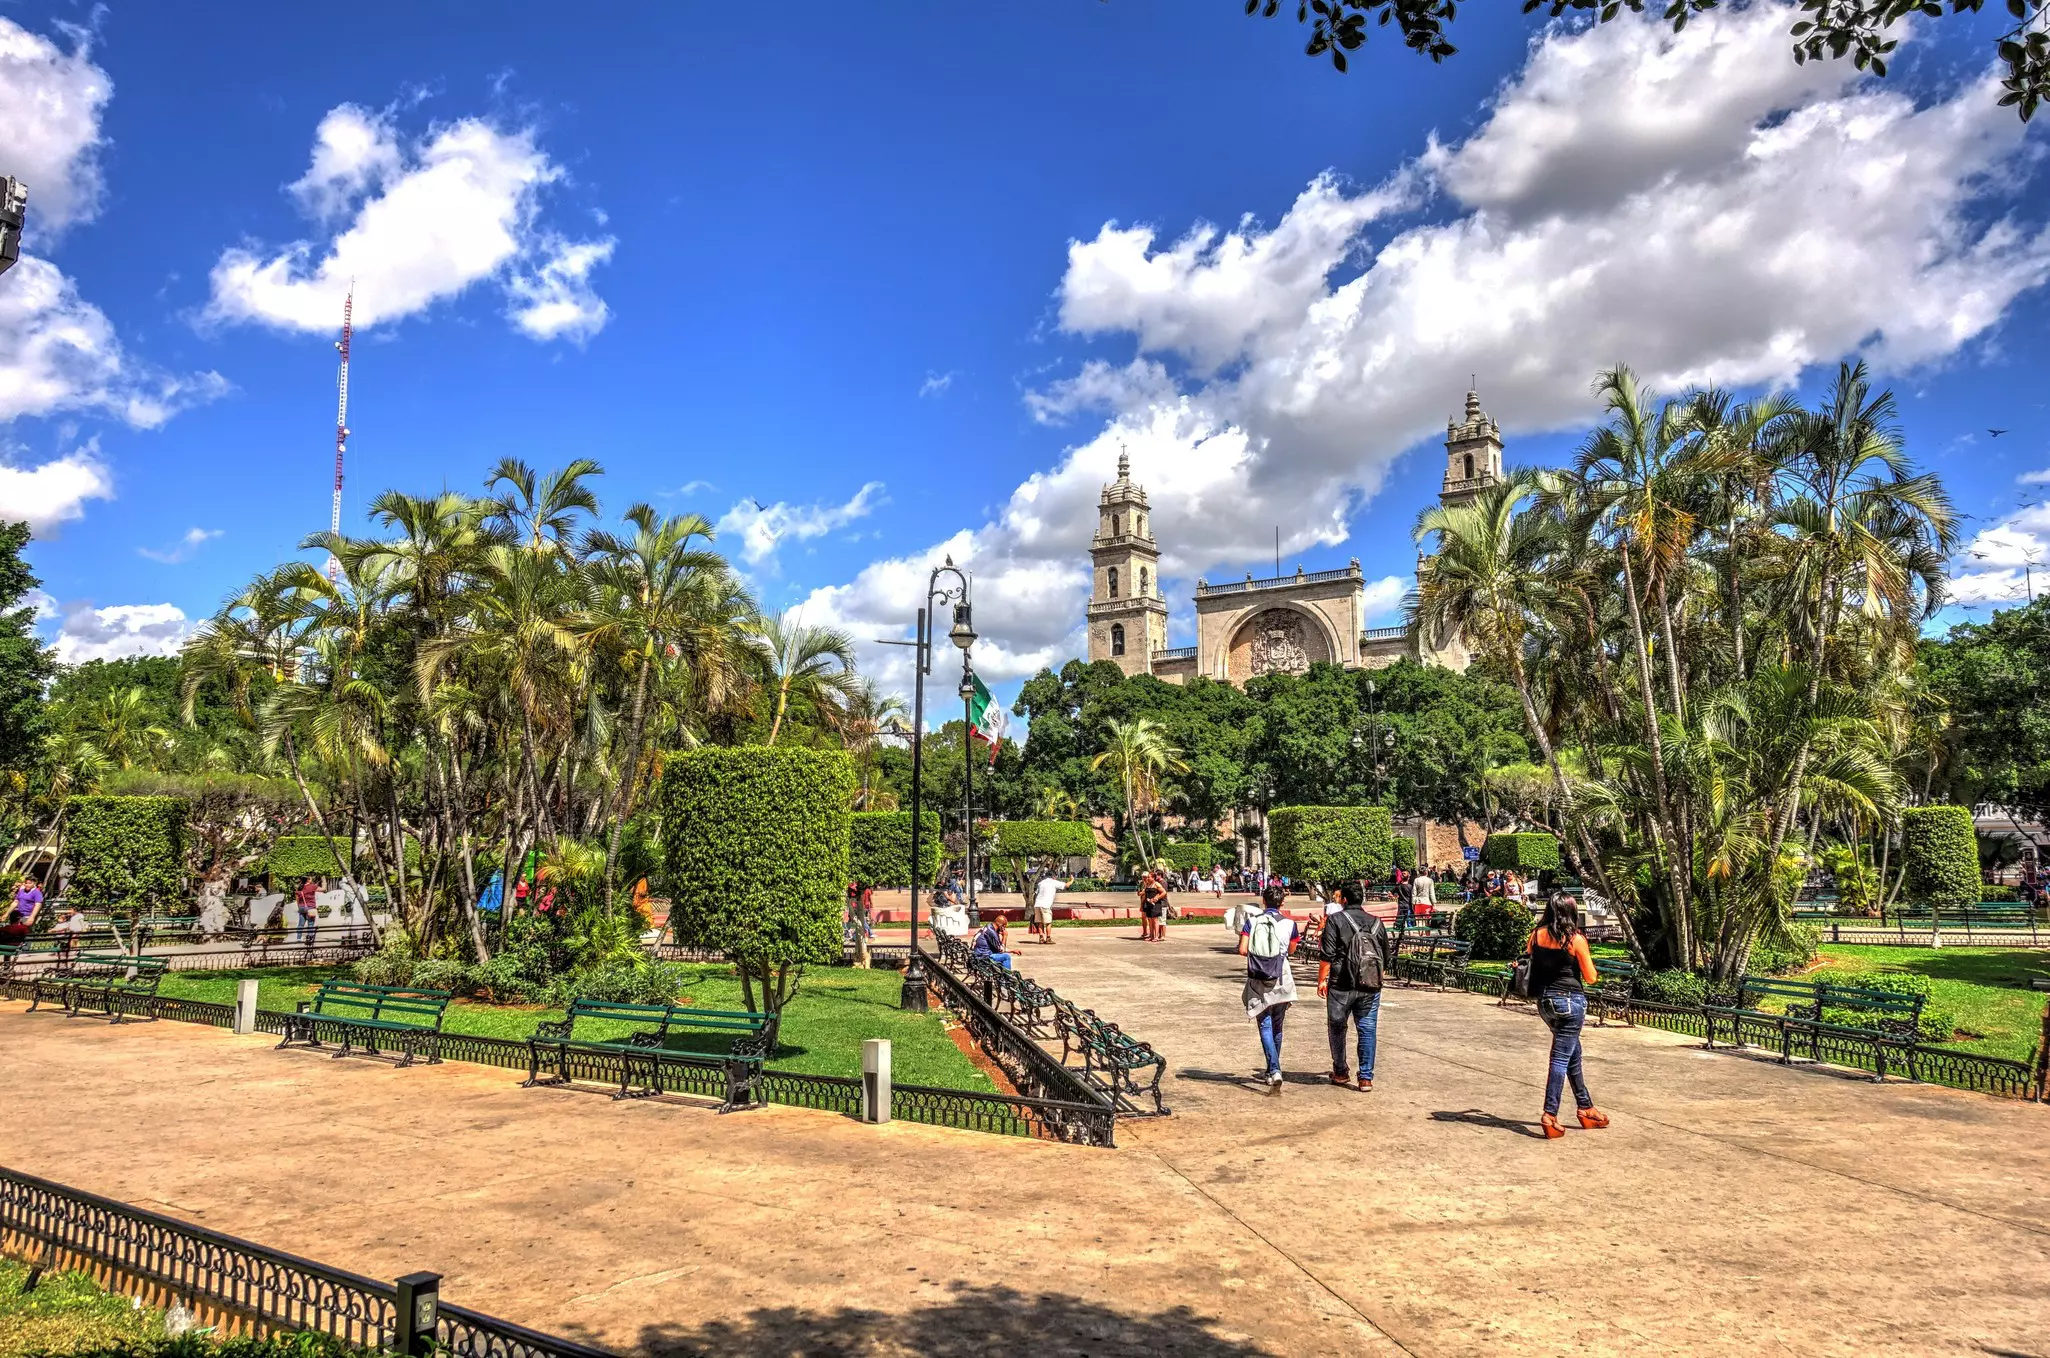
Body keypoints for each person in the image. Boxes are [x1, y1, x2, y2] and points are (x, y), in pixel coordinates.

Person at [1526, 892, 1610, 1138]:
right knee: (1560, 1059)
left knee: (1573, 1054)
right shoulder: (1575, 939)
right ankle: (1550, 1114)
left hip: (1546, 1003)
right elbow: (1591, 976)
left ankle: (1586, 1107)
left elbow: (1529, 960)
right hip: (1570, 1002)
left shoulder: (1536, 935)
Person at [1319, 881, 1396, 1091]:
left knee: (1337, 1027)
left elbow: (1327, 954)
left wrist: (1322, 980)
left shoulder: (1335, 920)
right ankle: (1365, 1078)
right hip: (1370, 985)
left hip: (1340, 984)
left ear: (1343, 899)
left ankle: (1341, 1072)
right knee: (1367, 1029)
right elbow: (1386, 957)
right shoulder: (1376, 923)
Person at [1238, 884, 1299, 1094]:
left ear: (1263, 902)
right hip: (1281, 978)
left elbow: (1242, 950)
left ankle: (1274, 1070)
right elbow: (1292, 949)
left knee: (1264, 1025)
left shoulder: (1251, 922)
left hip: (1258, 980)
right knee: (1277, 1026)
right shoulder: (1290, 924)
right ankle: (1272, 1070)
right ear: (1282, 903)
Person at [1030, 871, 1068, 944]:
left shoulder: (1040, 883)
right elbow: (1066, 885)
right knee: (1048, 922)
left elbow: (1036, 894)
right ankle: (1048, 938)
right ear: (1053, 876)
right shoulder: (1053, 882)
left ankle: (1041, 938)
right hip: (1046, 905)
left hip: (1037, 904)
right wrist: (1072, 880)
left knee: (1040, 922)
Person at [1138, 869, 1169, 943]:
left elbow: (1164, 892)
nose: (1147, 878)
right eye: (1147, 877)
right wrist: (1142, 905)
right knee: (1150, 920)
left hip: (1155, 905)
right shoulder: (1147, 885)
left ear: (1153, 878)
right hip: (1148, 904)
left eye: (1149, 877)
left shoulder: (1157, 884)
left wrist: (1157, 898)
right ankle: (1151, 936)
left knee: (1155, 920)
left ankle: (1156, 936)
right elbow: (1145, 895)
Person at [294, 876, 319, 946]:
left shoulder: (299, 887)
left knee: (300, 924)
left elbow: (297, 900)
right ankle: (310, 938)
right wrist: (324, 881)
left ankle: (298, 938)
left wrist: (299, 908)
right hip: (310, 907)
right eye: (310, 878)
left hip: (301, 907)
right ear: (308, 880)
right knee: (310, 924)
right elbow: (323, 889)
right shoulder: (312, 886)